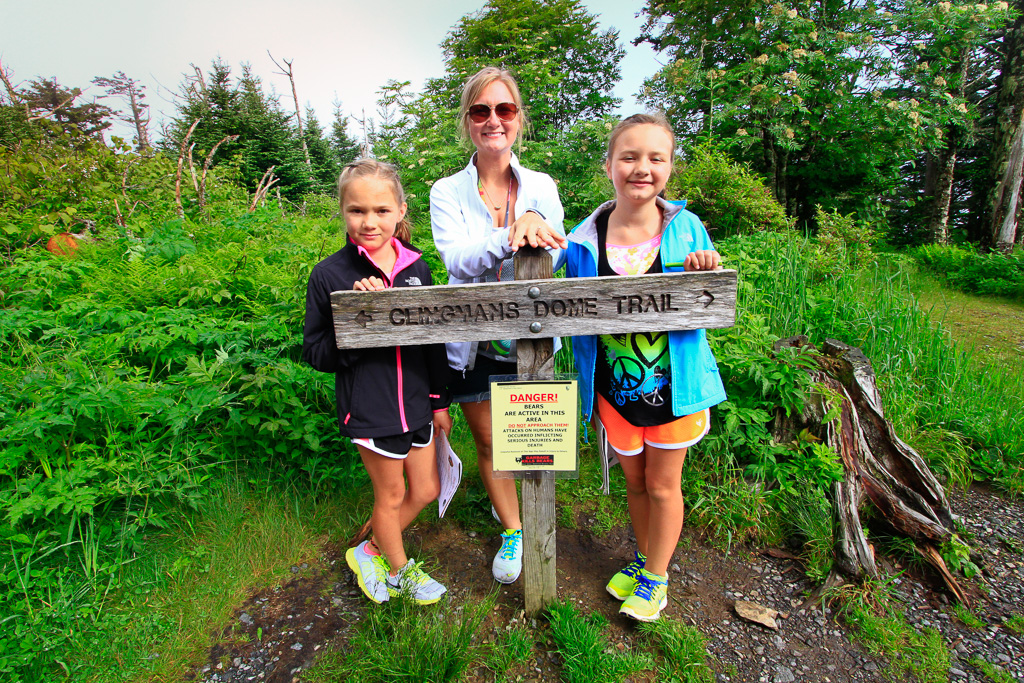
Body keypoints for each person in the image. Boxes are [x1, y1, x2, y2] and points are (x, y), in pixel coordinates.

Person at [565, 113, 727, 621]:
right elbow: (553, 297)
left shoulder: (686, 226)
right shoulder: (582, 239)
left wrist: (708, 266)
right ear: (608, 165)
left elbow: (708, 283)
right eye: (630, 157)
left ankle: (656, 578)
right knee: (634, 484)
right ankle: (643, 559)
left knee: (662, 485)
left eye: (656, 158)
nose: (642, 168)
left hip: (675, 388)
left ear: (670, 167)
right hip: (615, 391)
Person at [430, 66, 567, 584]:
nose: (494, 120)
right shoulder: (446, 191)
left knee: (529, 438)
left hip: (531, 338)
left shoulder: (543, 185)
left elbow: (558, 246)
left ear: (518, 119)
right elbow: (458, 258)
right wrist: (514, 230)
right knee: (489, 442)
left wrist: (538, 225)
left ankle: (533, 513)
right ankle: (513, 527)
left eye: (504, 109)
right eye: (481, 110)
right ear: (469, 121)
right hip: (475, 342)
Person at [303, 159, 452, 605]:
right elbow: (316, 352)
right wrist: (361, 321)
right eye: (357, 210)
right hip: (371, 408)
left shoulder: (416, 268)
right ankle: (400, 570)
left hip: (418, 402)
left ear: (401, 211)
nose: (369, 222)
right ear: (343, 211)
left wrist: (440, 400)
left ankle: (368, 549)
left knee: (426, 489)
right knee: (392, 495)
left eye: (382, 211)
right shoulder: (329, 275)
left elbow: (431, 340)